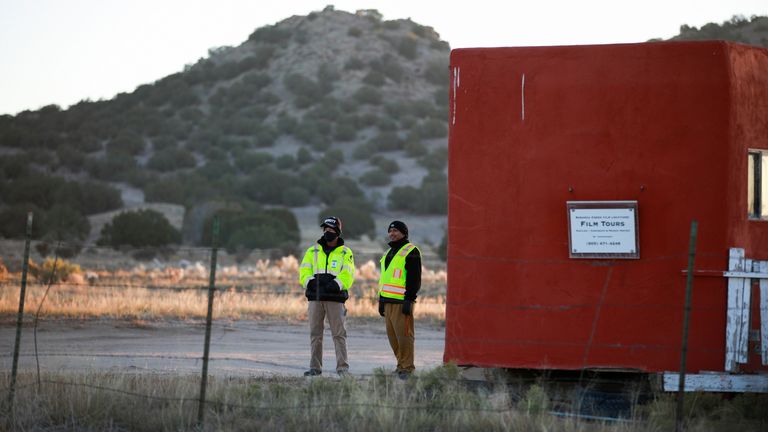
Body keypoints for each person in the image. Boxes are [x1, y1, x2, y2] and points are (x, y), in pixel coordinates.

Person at [299, 216, 355, 377]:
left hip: (335, 299)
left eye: (330, 230)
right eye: (325, 229)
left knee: (339, 334)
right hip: (315, 298)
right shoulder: (312, 250)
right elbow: (304, 270)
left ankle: (342, 368)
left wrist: (336, 284)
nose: (327, 232)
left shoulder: (346, 252)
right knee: (315, 334)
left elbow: (348, 273)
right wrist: (309, 282)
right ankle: (315, 368)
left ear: (337, 231)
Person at [377, 220, 421, 379]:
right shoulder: (387, 253)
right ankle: (400, 365)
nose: (392, 234)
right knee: (393, 338)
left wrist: (409, 300)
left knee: (404, 336)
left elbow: (414, 279)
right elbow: (384, 279)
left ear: (404, 233)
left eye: (395, 231)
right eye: (390, 231)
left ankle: (407, 368)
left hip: (402, 302)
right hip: (387, 302)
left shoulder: (411, 251)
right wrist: (381, 300)